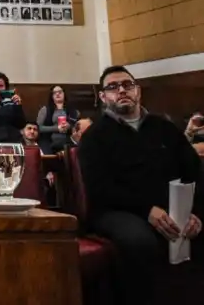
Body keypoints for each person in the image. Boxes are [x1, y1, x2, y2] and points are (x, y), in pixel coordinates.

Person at [79, 66, 204, 305]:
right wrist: (147, 210)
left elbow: (193, 171)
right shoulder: (95, 137)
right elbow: (101, 188)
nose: (122, 90)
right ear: (103, 97)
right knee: (140, 241)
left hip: (172, 206)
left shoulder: (164, 128)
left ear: (138, 91)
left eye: (127, 85)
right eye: (113, 87)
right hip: (117, 210)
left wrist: (194, 212)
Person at [37, 85, 80, 154]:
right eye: (54, 93)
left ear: (64, 94)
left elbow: (78, 128)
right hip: (49, 144)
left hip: (69, 144)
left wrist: (69, 126)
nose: (57, 94)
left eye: (60, 92)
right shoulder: (45, 110)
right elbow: (38, 128)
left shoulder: (74, 111)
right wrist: (57, 128)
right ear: (52, 96)